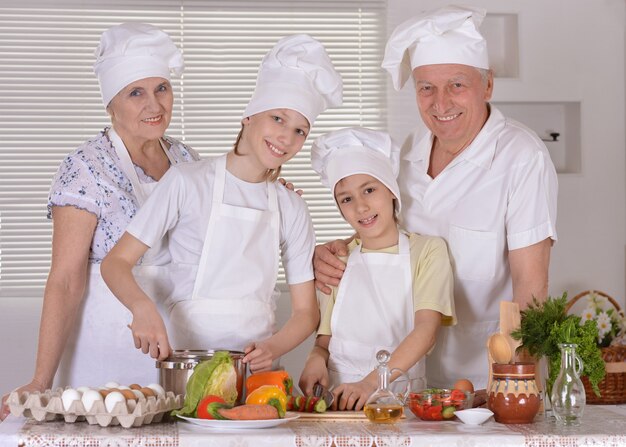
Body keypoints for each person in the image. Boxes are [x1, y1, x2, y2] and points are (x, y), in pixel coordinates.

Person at [313, 5, 558, 390]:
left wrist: (514, 385)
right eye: (426, 87)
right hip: (402, 374)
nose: (440, 103)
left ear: (487, 85)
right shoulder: (409, 149)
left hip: (481, 378)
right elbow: (386, 235)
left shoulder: (521, 157)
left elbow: (532, 290)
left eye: (456, 85)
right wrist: (335, 253)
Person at [100, 34, 343, 373]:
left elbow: (306, 314)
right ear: (249, 116)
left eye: (300, 131)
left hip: (257, 373)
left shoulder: (292, 207)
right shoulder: (187, 181)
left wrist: (272, 348)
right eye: (277, 118)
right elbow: (115, 263)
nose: (286, 138)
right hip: (187, 369)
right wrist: (142, 308)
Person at [0, 22, 200, 420]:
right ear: (111, 103)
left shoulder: (187, 160)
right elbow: (65, 279)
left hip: (178, 354)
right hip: (105, 356)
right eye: (136, 93)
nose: (154, 105)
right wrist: (41, 380)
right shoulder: (86, 168)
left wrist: (269, 190)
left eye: (162, 88)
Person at [298, 127, 455, 411]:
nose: (361, 207)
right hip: (340, 404)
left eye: (369, 190)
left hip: (401, 404)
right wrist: (314, 359)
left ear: (392, 191)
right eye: (346, 199)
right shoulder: (338, 259)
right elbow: (324, 341)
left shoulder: (428, 251)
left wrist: (372, 383)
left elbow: (426, 331)